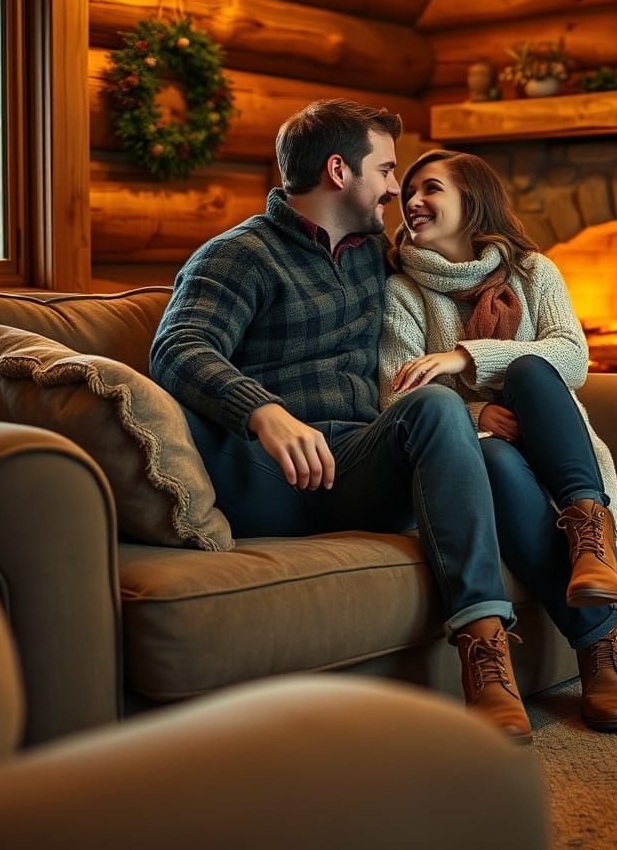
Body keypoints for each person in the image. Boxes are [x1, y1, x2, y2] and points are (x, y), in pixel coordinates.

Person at [151, 99, 535, 743]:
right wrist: (263, 412)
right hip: (267, 474)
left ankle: (485, 654)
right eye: (386, 170)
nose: (396, 187)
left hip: (356, 467)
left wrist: (500, 320)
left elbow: (459, 266)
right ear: (338, 170)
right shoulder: (239, 254)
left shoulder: (376, 255)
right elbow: (177, 347)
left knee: (436, 407)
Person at [378, 149, 617, 733]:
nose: (413, 200)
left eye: (432, 189)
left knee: (531, 371)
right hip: (479, 454)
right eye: (409, 191)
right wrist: (478, 413)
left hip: (556, 440)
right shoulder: (404, 292)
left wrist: (464, 356)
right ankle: (600, 648)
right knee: (494, 457)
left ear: (472, 201)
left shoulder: (532, 272)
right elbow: (396, 398)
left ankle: (589, 537)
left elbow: (572, 359)